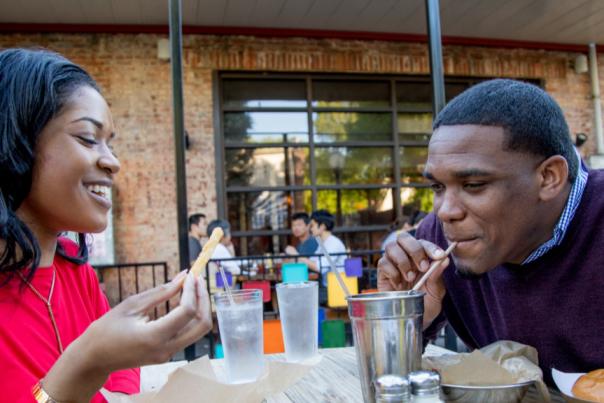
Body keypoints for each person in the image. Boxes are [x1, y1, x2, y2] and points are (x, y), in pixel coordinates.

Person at [0, 48, 212, 403]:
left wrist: (113, 362)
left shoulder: (73, 269)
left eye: (109, 144)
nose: (113, 162)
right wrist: (87, 362)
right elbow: (98, 359)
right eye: (87, 138)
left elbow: (119, 377)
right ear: (16, 143)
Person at [378, 79, 604, 386]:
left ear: (549, 177)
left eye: (473, 185)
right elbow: (387, 381)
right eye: (437, 186)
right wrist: (403, 319)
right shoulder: (436, 241)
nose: (446, 211)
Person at [297, 210, 346, 285]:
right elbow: (312, 261)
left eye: (312, 225)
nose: (311, 229)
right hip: (328, 285)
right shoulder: (323, 243)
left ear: (322, 226)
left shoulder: (333, 243)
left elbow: (319, 267)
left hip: (336, 288)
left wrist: (298, 256)